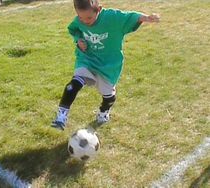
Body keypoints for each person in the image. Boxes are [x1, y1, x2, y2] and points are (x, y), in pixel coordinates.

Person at [52, 0, 160, 130]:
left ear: (99, 9)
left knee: (108, 95)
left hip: (109, 64)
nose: (85, 21)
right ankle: (61, 117)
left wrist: (146, 18)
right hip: (87, 58)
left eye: (89, 18)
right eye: (81, 17)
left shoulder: (112, 17)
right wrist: (78, 41)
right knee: (74, 84)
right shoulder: (79, 21)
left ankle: (104, 112)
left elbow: (130, 16)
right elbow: (74, 30)